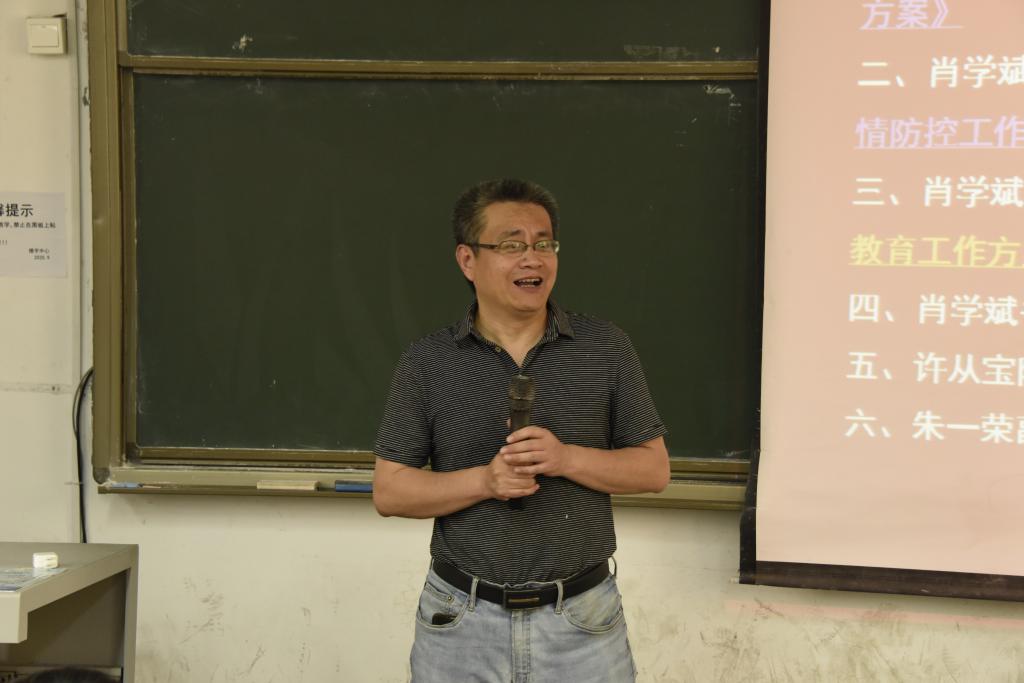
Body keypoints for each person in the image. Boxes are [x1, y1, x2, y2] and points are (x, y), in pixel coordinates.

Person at [373, 178, 669, 682]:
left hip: (583, 620)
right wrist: (485, 481)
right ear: (468, 260)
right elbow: (390, 490)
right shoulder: (428, 361)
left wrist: (566, 458)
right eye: (512, 245)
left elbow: (654, 469)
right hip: (460, 620)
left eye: (544, 244)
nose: (533, 258)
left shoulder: (605, 348)